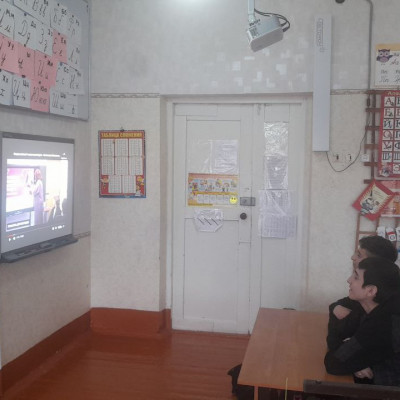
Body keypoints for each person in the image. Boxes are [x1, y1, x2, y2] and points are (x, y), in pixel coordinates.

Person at [325, 256, 400, 385]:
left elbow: (333, 363)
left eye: (356, 277)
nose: (349, 280)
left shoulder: (381, 323)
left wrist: (353, 363)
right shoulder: (380, 307)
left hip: (387, 391)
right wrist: (355, 361)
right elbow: (337, 335)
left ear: (371, 291)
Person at [331, 235, 398, 322]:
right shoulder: (361, 296)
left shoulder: (390, 315)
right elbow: (337, 304)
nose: (352, 257)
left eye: (359, 255)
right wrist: (336, 307)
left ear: (375, 263)